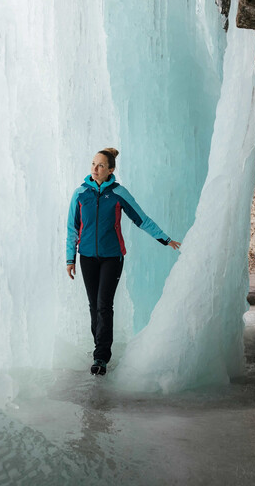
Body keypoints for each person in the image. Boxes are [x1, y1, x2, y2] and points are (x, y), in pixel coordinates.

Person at [66, 148, 181, 375]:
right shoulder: (80, 194)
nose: (95, 169)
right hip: (87, 257)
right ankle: (99, 346)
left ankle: (101, 357)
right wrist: (70, 258)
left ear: (111, 170)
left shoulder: (119, 193)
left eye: (100, 165)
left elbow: (141, 218)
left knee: (103, 305)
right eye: (93, 164)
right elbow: (72, 228)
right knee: (93, 306)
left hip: (112, 257)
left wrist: (164, 239)